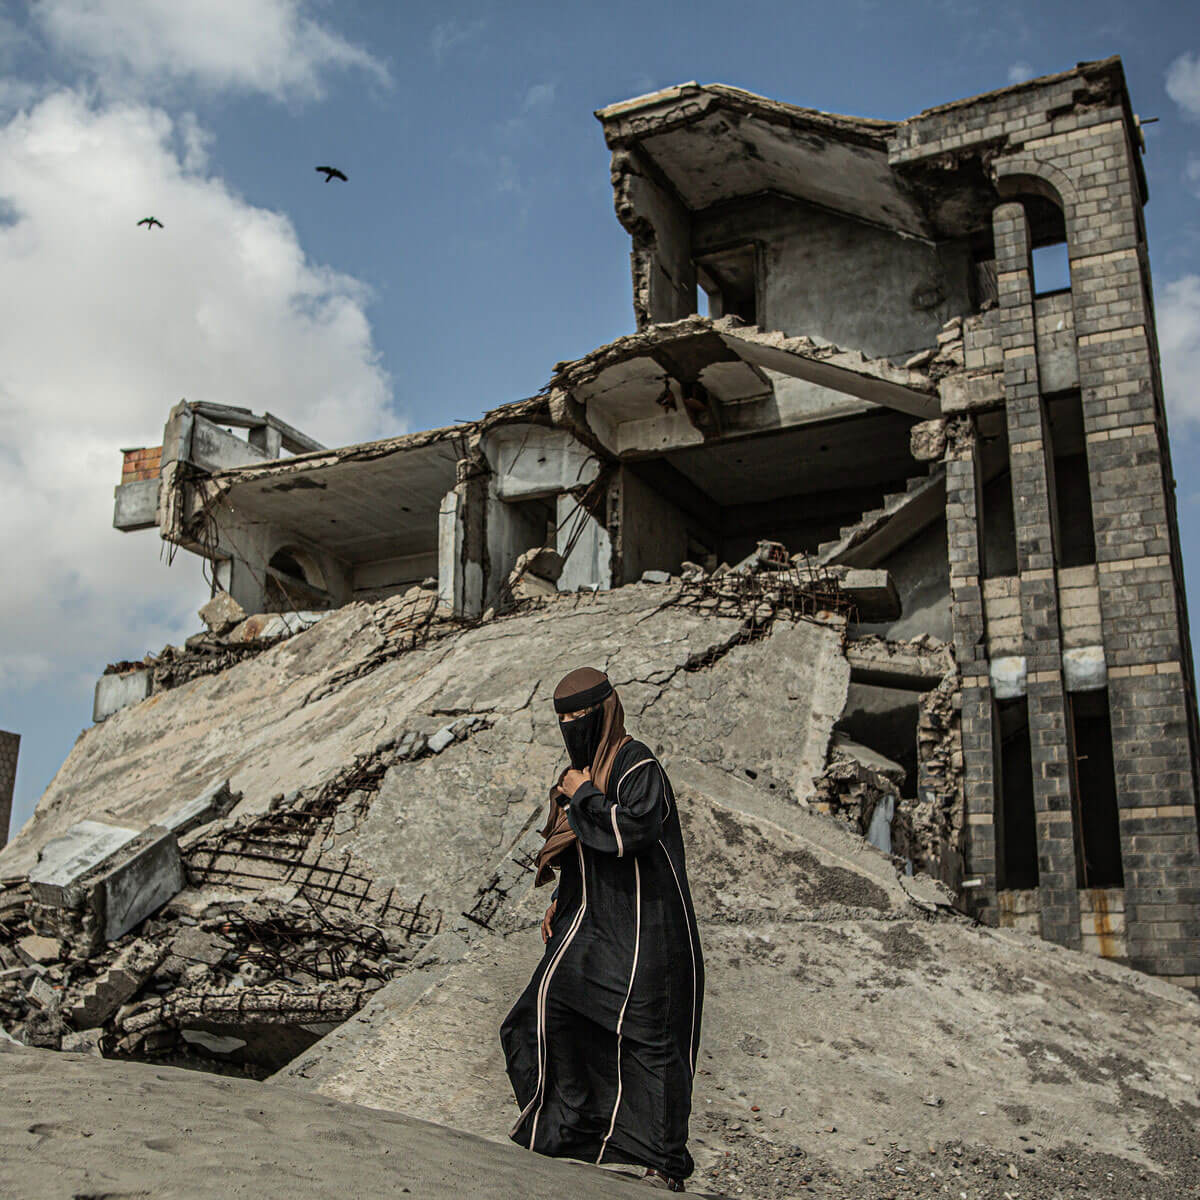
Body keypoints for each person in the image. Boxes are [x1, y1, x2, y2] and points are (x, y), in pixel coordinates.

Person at [500, 667, 704, 1192]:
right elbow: (579, 849)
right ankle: (569, 1132)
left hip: (646, 931)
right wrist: (559, 900)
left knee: (651, 1043)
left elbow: (626, 830)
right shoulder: (581, 772)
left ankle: (662, 1163)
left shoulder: (639, 766)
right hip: (591, 923)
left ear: (607, 711)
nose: (572, 725)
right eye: (563, 718)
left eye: (580, 715)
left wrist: (585, 792)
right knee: (540, 1014)